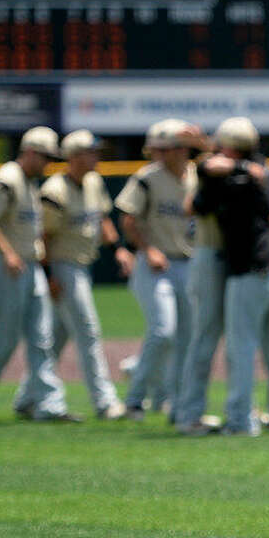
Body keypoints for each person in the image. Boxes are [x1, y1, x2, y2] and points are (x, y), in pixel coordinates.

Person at [0, 127, 76, 423]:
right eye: (46, 157)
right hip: (7, 264)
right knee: (5, 339)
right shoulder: (10, 176)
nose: (49, 163)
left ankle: (49, 405)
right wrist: (8, 252)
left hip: (29, 264)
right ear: (31, 152)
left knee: (42, 338)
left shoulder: (30, 181)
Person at [192, 117, 269, 436]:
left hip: (250, 265)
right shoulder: (261, 167)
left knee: (242, 346)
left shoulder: (233, 176)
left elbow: (199, 200)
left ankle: (240, 420)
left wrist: (216, 163)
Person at [40, 130, 132, 420]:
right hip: (62, 265)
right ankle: (104, 401)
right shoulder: (54, 191)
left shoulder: (93, 181)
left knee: (57, 337)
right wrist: (49, 276)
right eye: (92, 152)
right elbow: (41, 236)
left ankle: (30, 396)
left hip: (82, 264)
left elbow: (102, 217)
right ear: (75, 156)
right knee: (88, 331)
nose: (97, 157)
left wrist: (118, 248)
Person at [116, 119, 197, 420]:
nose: (160, 154)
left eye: (166, 148)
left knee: (186, 338)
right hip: (154, 264)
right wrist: (148, 249)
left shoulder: (196, 177)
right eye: (157, 149)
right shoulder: (147, 178)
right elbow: (128, 219)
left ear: (182, 149)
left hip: (188, 262)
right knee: (163, 331)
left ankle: (174, 401)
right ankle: (135, 399)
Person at [174, 122, 229, 436]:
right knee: (204, 337)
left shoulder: (217, 167)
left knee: (234, 337)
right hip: (208, 255)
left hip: (225, 256)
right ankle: (188, 412)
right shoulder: (205, 171)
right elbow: (188, 206)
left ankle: (240, 406)